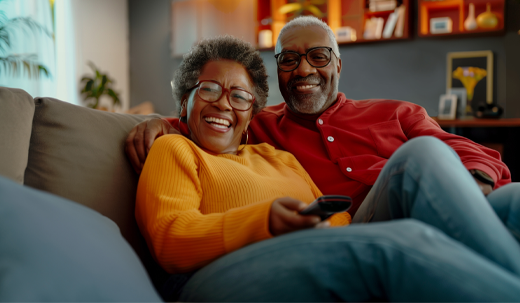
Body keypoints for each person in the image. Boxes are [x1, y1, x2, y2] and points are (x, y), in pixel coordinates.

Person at [135, 35, 520, 302]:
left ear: (252, 112)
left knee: (514, 199)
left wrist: (318, 223)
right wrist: (264, 221)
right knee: (399, 240)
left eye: (239, 96)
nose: (223, 104)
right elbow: (171, 239)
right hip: (216, 277)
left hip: (311, 255)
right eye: (208, 90)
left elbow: (340, 221)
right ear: (184, 101)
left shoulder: (276, 155)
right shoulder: (175, 149)